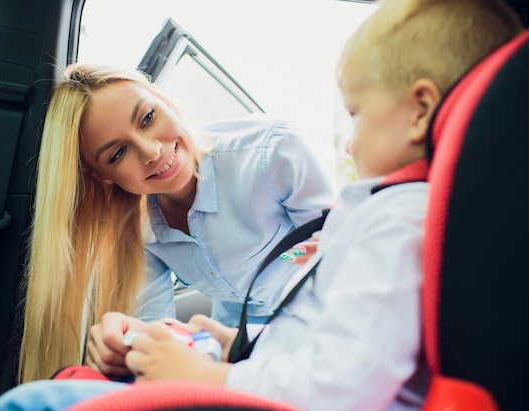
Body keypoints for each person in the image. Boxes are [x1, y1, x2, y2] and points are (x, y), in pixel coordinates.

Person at [0, 0, 523, 411]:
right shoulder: (378, 212)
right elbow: (321, 325)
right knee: (68, 385)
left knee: (27, 406)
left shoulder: (386, 216)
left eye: (355, 115)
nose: (345, 145)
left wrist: (211, 374)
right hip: (254, 354)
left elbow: (336, 362)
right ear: (102, 176)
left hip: (261, 378)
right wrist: (189, 344)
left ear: (419, 112)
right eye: (119, 152)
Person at [19, 63, 335, 383]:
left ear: (164, 101)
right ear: (102, 175)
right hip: (230, 349)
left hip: (319, 334)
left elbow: (341, 266)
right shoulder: (136, 227)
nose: (152, 151)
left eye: (148, 118)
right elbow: (155, 324)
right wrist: (128, 339)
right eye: (117, 154)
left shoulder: (272, 150)